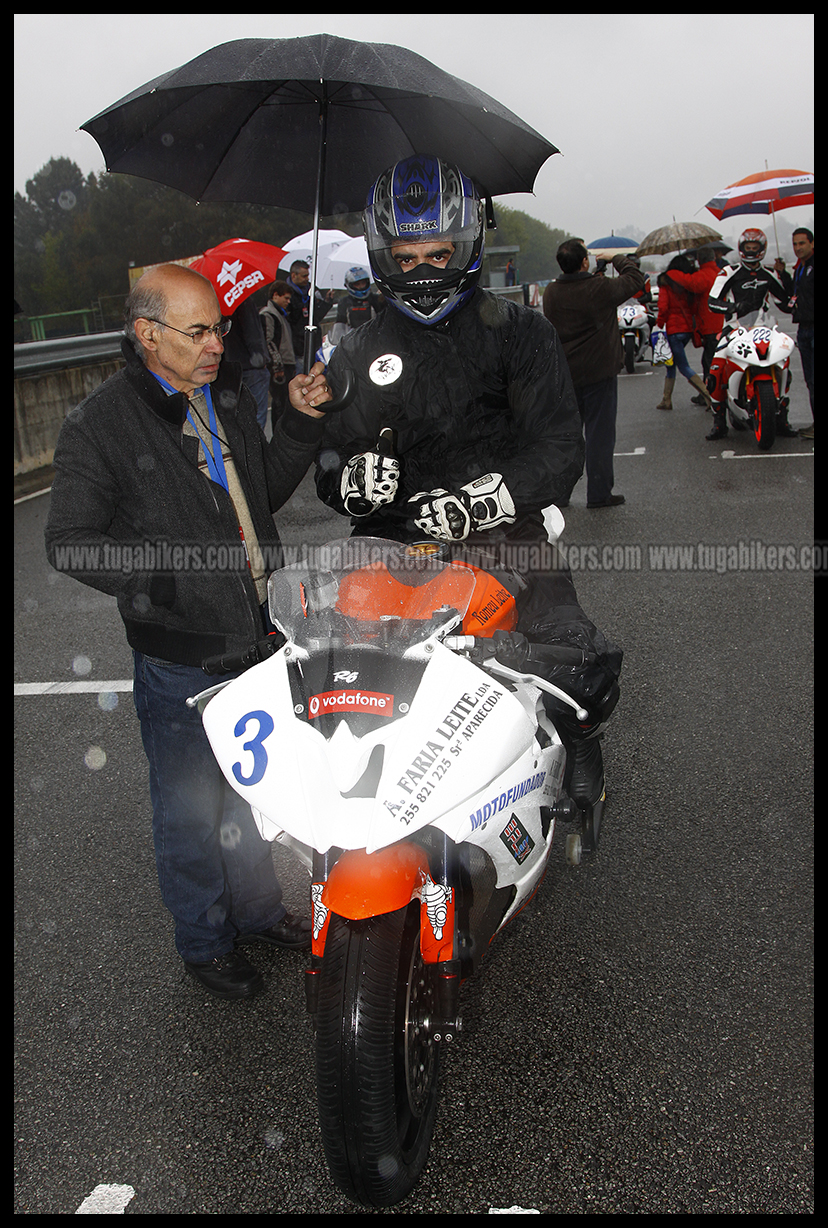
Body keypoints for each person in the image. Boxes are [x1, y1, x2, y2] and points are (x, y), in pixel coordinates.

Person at [45, 263, 333, 1000]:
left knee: (249, 794)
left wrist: (298, 422)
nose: (216, 344)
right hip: (180, 658)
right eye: (198, 330)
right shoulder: (103, 424)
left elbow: (259, 492)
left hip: (256, 640)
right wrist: (168, 580)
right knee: (189, 810)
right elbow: (69, 541)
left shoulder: (221, 396)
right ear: (148, 335)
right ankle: (205, 942)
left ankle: (260, 911)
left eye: (220, 327)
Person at [314, 155, 622, 815]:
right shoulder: (352, 352)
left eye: (439, 252)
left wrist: (490, 497)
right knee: (324, 679)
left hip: (504, 530)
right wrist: (349, 482)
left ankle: (581, 739)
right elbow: (328, 465)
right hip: (388, 540)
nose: (424, 269)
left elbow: (561, 446)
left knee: (576, 656)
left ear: (468, 247)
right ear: (380, 255)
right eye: (406, 254)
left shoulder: (523, 334)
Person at [542, 239, 645, 507]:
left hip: (566, 375)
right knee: (600, 436)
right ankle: (599, 493)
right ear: (584, 262)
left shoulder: (551, 292)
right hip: (599, 372)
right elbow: (635, 278)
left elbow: (580, 292)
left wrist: (595, 273)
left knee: (568, 438)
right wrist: (615, 257)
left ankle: (560, 495)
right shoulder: (598, 288)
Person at [706, 228, 795, 440]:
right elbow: (712, 302)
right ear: (741, 249)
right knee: (716, 370)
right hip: (735, 329)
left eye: (755, 248)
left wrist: (784, 275)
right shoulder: (729, 272)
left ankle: (781, 417)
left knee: (784, 362)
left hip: (764, 328)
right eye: (748, 248)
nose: (752, 251)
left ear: (762, 249)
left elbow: (786, 304)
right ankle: (719, 423)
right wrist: (733, 307)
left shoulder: (770, 273)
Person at [653, 254, 715, 412]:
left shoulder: (665, 283)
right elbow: (693, 306)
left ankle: (709, 396)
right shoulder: (687, 284)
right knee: (671, 364)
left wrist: (659, 324)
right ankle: (666, 399)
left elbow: (663, 307)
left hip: (673, 329)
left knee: (683, 366)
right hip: (687, 328)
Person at [662, 245, 722, 403]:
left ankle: (709, 395)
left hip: (708, 325)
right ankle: (708, 393)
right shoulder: (718, 272)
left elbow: (691, 283)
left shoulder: (705, 274)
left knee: (706, 362)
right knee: (711, 360)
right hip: (717, 323)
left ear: (699, 259)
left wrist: (670, 273)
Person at [775, 227, 814, 439]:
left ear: (812, 243)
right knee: (810, 380)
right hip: (804, 329)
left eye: (802, 243)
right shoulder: (801, 267)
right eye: (795, 244)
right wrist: (782, 273)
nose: (798, 248)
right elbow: (795, 294)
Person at [221, 294, 271, 431]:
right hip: (251, 365)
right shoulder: (243, 300)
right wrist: (261, 360)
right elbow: (252, 333)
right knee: (256, 416)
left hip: (230, 365)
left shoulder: (221, 303)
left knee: (235, 416)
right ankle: (255, 449)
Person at [284, 259, 334, 371]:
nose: (307, 279)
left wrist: (327, 302)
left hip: (314, 344)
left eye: (308, 276)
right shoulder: (287, 294)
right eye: (304, 276)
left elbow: (317, 316)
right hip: (298, 348)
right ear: (294, 275)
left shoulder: (312, 290)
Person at [260, 280, 296, 422]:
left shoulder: (280, 314)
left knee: (285, 402)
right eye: (285, 298)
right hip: (280, 365)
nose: (288, 301)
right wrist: (277, 366)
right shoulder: (269, 314)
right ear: (275, 295)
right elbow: (269, 342)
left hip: (286, 362)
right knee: (279, 403)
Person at [326, 266, 385, 347]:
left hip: (374, 340)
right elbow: (339, 325)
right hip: (352, 342)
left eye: (363, 283)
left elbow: (384, 321)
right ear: (349, 285)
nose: (361, 287)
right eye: (357, 284)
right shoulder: (344, 302)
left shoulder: (376, 299)